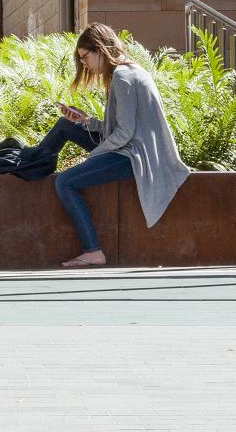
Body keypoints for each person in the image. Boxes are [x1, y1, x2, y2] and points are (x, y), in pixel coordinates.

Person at [33, 23, 191, 268]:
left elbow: (126, 134)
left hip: (135, 157)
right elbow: (122, 128)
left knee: (64, 182)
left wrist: (95, 155)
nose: (84, 64)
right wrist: (87, 122)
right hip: (129, 147)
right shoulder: (131, 71)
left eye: (85, 57)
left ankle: (93, 250)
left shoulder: (123, 76)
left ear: (99, 49)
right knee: (66, 125)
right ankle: (32, 162)